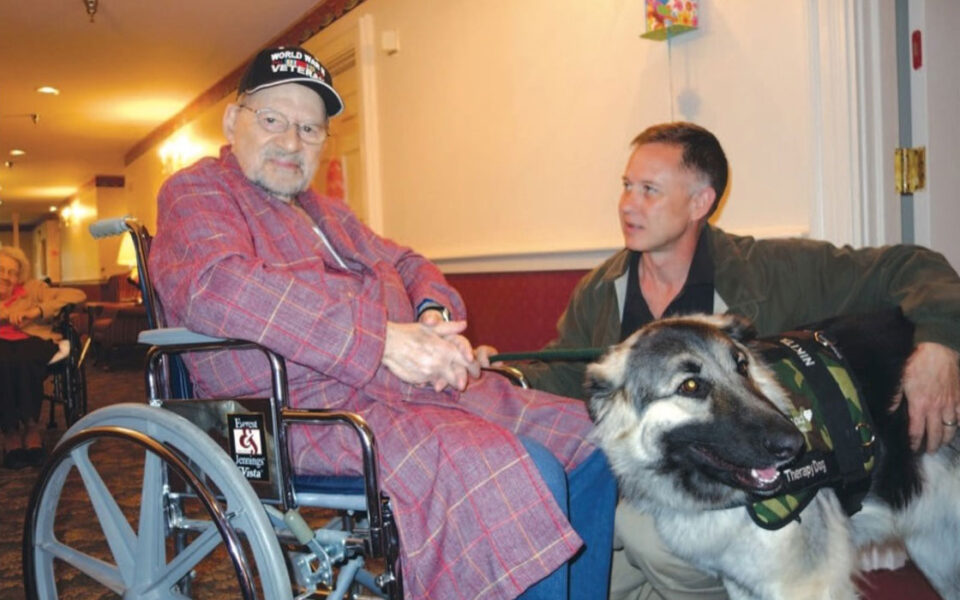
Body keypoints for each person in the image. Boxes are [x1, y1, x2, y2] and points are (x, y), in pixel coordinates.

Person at [148, 45, 616, 600]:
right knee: (523, 473)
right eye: (273, 120)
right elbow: (217, 284)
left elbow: (409, 262)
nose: (291, 142)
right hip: (296, 411)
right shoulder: (197, 192)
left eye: (310, 129)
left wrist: (431, 314)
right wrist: (383, 341)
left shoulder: (327, 213)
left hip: (409, 392)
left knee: (596, 441)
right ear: (233, 121)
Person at [513, 121, 960, 600]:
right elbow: (563, 375)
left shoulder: (770, 270)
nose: (627, 204)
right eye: (626, 186)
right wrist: (496, 375)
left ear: (700, 203)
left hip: (757, 499)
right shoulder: (603, 291)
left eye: (649, 190)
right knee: (586, 557)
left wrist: (938, 345)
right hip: (656, 488)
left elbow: (911, 266)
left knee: (647, 540)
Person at [0, 246, 86, 470]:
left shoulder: (33, 289)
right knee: (4, 361)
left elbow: (77, 295)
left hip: (33, 339)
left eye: (12, 272)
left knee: (25, 360)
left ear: (19, 276)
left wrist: (36, 311)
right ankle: (10, 433)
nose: (6, 276)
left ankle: (31, 429)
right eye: (1, 269)